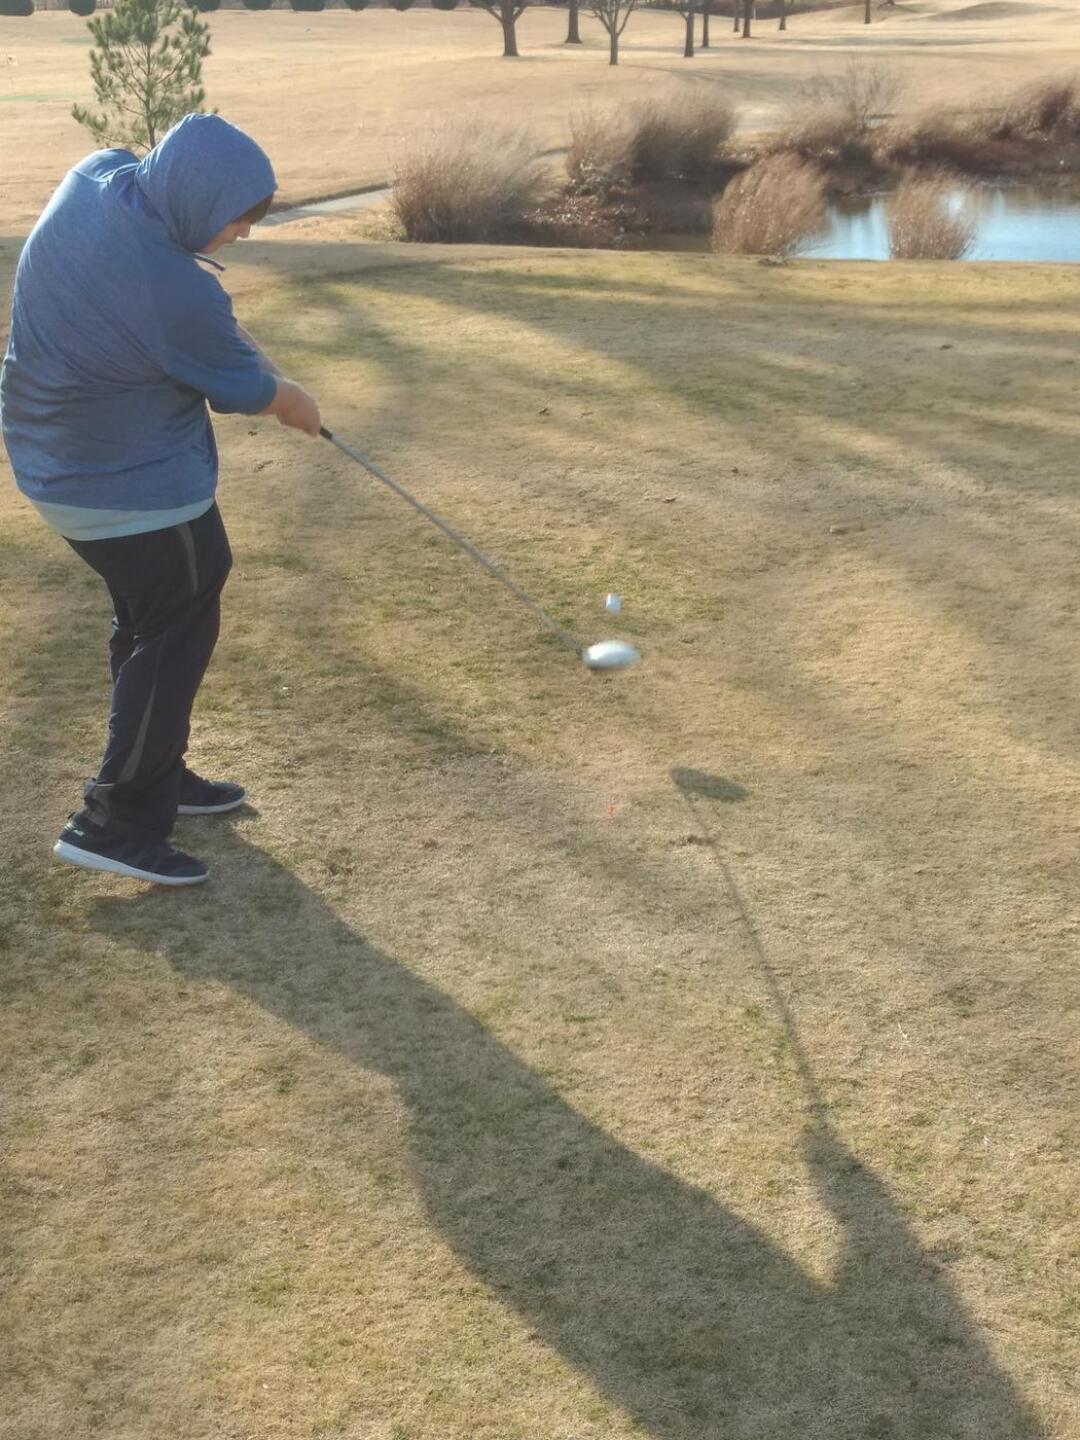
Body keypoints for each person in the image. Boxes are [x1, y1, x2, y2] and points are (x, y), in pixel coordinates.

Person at [0, 113, 321, 887]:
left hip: (50, 459)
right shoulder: (175, 290)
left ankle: (154, 771)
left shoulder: (95, 177)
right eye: (236, 218)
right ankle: (116, 821)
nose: (243, 233)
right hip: (121, 484)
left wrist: (247, 358)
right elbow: (251, 391)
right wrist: (297, 401)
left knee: (153, 619)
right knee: (180, 608)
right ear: (197, 200)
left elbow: (211, 342)